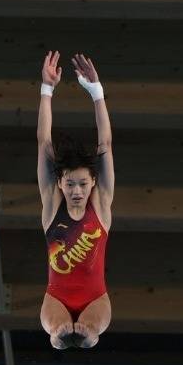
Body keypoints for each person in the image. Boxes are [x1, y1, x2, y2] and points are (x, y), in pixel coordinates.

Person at [36, 51, 114, 349]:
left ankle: (86, 337)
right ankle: (59, 338)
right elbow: (44, 142)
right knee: (58, 331)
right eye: (70, 184)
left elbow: (104, 143)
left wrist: (96, 92)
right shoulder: (52, 206)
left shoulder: (101, 204)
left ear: (94, 182)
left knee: (89, 332)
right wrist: (47, 90)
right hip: (56, 297)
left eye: (83, 183)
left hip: (96, 298)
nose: (77, 191)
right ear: (60, 184)